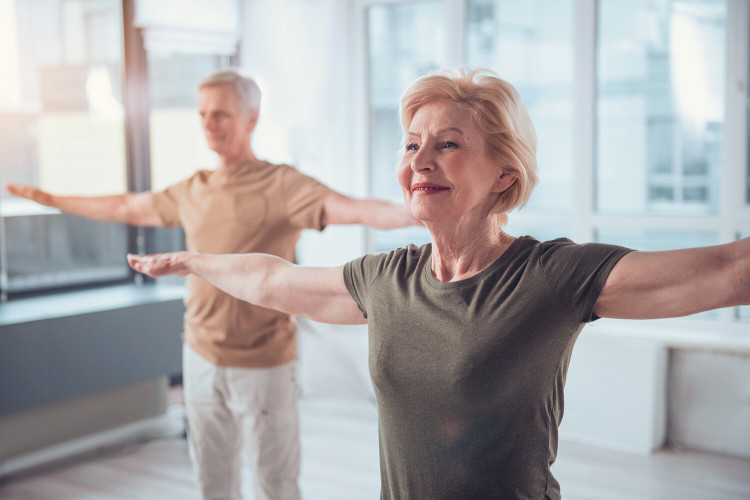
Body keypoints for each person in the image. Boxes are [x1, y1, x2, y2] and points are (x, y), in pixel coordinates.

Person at [127, 68, 749, 500]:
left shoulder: (548, 276)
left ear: (505, 173)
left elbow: (727, 270)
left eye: (448, 145)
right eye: (411, 144)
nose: (419, 159)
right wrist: (193, 262)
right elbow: (272, 278)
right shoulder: (387, 279)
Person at [6, 68, 419, 500]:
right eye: (203, 114)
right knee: (212, 481)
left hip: (263, 364)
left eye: (220, 114)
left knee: (275, 484)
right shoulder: (193, 189)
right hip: (200, 356)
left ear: (251, 119)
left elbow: (355, 209)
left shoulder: (281, 185)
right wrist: (52, 201)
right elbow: (126, 205)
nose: (208, 124)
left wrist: (417, 209)